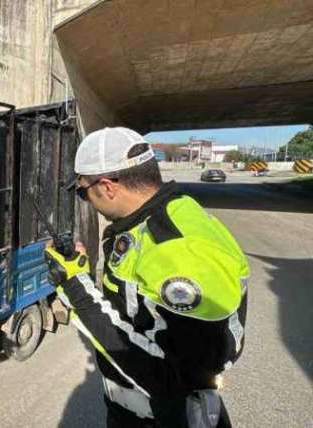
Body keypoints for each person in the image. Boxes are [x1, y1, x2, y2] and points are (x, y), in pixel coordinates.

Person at [45, 127, 249, 428]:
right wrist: (81, 270)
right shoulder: (149, 220)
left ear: (107, 187)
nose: (84, 199)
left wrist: (76, 287)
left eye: (82, 191)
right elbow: (136, 316)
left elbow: (175, 376)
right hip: (134, 410)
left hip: (166, 418)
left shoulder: (179, 249)